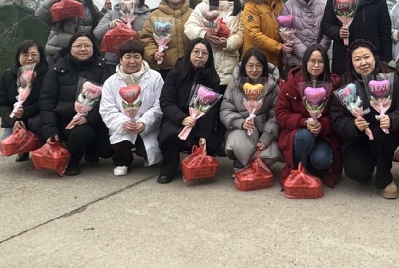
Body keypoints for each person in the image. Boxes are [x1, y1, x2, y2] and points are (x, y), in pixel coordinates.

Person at [330, 40, 399, 199]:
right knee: (358, 172)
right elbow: (337, 117)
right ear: (352, 63)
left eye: (366, 57)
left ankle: (385, 178)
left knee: (380, 134)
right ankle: (368, 165)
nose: (363, 62)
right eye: (357, 59)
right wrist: (353, 125)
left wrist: (392, 119)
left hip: (385, 135)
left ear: (374, 57)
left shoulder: (391, 78)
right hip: (358, 139)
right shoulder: (345, 84)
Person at [39, 32, 113, 176]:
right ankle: (72, 161)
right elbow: (46, 99)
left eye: (87, 45)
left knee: (106, 150)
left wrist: (88, 117)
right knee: (82, 133)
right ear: (70, 48)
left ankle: (91, 150)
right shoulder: (57, 68)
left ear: (93, 48)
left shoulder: (102, 67)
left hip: (94, 118)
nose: (83, 49)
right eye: (78, 46)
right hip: (65, 119)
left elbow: (108, 99)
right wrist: (51, 129)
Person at [157, 37, 225, 184]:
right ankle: (168, 168)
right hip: (177, 118)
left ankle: (197, 166)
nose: (200, 56)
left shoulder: (212, 78)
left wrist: (204, 134)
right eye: (196, 52)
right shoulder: (175, 74)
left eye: (204, 53)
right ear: (189, 53)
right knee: (170, 136)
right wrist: (182, 118)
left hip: (200, 120)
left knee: (210, 142)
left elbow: (212, 110)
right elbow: (166, 101)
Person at [274, 43, 343, 187]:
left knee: (322, 160)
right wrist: (304, 122)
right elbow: (281, 113)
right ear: (305, 62)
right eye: (312, 61)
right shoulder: (293, 83)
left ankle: (313, 170)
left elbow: (338, 116)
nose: (316, 65)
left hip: (324, 136)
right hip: (298, 133)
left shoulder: (333, 84)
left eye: (320, 61)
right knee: (304, 136)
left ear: (326, 63)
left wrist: (321, 125)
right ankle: (299, 170)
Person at [99, 40, 164, 176]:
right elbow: (107, 109)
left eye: (136, 57)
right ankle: (122, 161)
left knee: (147, 149)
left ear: (142, 58)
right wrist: (124, 122)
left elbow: (159, 104)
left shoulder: (155, 78)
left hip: (148, 126)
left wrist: (144, 122)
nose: (132, 61)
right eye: (128, 57)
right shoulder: (111, 82)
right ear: (120, 59)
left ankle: (146, 155)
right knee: (121, 141)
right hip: (123, 126)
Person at [320, 0, 392, 76]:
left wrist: (385, 59)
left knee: (370, 87)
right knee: (345, 87)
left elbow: (385, 30)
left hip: (370, 57)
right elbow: (326, 24)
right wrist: (338, 32)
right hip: (343, 56)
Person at [219, 47, 283, 173]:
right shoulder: (234, 84)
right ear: (244, 66)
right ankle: (248, 161)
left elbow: (275, 114)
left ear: (264, 67)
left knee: (273, 153)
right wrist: (241, 123)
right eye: (250, 65)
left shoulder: (273, 86)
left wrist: (267, 137)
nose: (254, 70)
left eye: (258, 66)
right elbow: (226, 110)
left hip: (264, 130)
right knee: (236, 144)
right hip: (242, 130)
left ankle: (251, 163)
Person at [184, 0, 244, 86]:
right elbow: (189, 27)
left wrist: (227, 43)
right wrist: (204, 35)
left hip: (228, 68)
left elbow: (240, 35)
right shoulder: (203, 7)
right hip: (204, 63)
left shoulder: (238, 12)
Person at [0, 40, 47, 161]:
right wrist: (14, 120)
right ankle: (24, 149)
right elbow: (0, 104)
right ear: (18, 57)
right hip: (15, 117)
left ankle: (40, 150)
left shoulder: (48, 75)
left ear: (41, 56)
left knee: (37, 123)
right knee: (5, 146)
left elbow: (46, 102)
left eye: (34, 54)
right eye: (25, 54)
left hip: (37, 117)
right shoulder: (8, 76)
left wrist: (24, 113)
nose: (30, 58)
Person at [35, 0, 102, 65]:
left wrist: (105, 11)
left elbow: (97, 30)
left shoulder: (92, 9)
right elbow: (40, 15)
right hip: (57, 52)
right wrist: (54, 0)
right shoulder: (59, 4)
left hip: (80, 54)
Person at [140, 0, 192, 73]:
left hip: (190, 66)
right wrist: (153, 52)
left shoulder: (193, 14)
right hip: (164, 67)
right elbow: (146, 39)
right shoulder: (155, 15)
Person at [281, 0, 331, 69]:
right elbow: (287, 32)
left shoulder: (323, 6)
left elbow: (327, 33)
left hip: (318, 62)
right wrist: (306, 54)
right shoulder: (287, 6)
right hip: (295, 63)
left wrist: (319, 52)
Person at [93, 0, 152, 66]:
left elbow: (152, 36)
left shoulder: (148, 15)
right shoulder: (112, 13)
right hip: (113, 62)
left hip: (138, 62)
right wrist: (110, 25)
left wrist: (136, 34)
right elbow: (97, 33)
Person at [240, 0, 287, 68]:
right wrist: (278, 47)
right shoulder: (251, 4)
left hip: (276, 59)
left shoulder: (280, 5)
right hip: (255, 60)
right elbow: (253, 33)